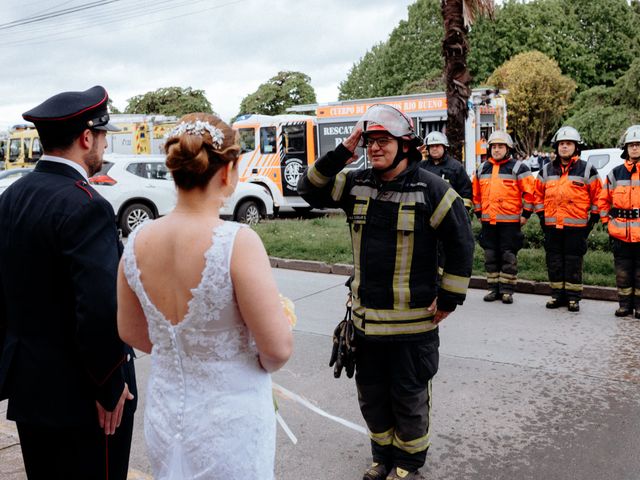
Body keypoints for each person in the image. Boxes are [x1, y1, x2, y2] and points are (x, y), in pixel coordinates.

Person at [298, 104, 474, 480]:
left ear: (406, 144)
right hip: (366, 323)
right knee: (372, 396)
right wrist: (346, 149)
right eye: (370, 141)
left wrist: (449, 298)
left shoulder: (433, 189)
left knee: (409, 398)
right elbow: (309, 188)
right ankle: (382, 457)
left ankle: (408, 465)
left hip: (412, 327)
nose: (374, 148)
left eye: (383, 140)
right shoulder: (356, 182)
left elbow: (462, 245)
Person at [117, 112, 293, 479]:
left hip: (168, 414)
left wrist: (181, 348)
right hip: (230, 420)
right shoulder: (236, 242)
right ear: (227, 171)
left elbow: (131, 332)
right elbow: (276, 350)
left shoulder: (136, 242)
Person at [0, 86, 137, 479]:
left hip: (30, 389)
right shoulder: (86, 205)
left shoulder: (12, 197)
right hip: (84, 399)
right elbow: (98, 308)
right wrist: (109, 386)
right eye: (104, 135)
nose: (104, 146)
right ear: (86, 137)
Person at [534, 126, 601, 312]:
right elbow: (536, 196)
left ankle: (573, 298)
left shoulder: (587, 170)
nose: (564, 147)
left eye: (569, 143)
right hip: (552, 226)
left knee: (573, 262)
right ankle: (557, 295)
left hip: (577, 227)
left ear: (576, 147)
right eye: (561, 144)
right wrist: (541, 216)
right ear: (556, 147)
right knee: (554, 261)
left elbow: (598, 197)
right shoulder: (546, 170)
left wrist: (592, 220)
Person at [472, 130, 535, 304]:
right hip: (488, 223)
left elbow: (530, 193)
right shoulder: (482, 168)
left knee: (508, 256)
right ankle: (493, 289)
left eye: (501, 146)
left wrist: (526, 215)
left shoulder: (519, 168)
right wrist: (479, 213)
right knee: (490, 255)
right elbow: (475, 195)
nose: (497, 150)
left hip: (510, 223)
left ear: (508, 149)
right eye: (494, 147)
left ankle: (507, 290)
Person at [598, 125, 640, 317]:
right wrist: (607, 222)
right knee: (622, 272)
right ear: (626, 148)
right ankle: (624, 305)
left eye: (638, 144)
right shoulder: (615, 173)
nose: (635, 148)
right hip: (620, 234)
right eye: (631, 145)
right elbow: (603, 200)